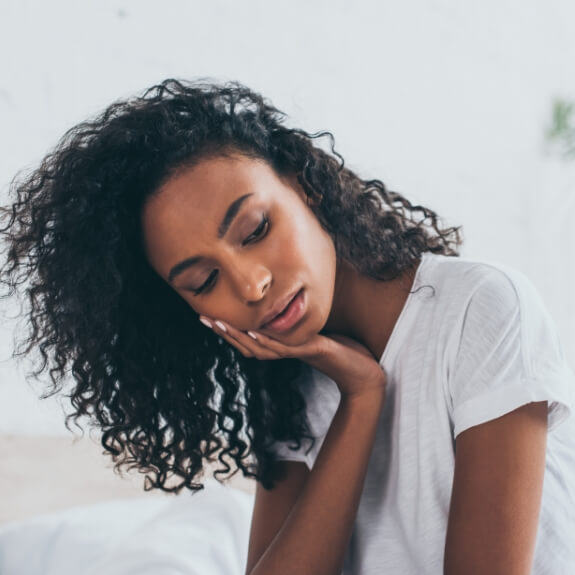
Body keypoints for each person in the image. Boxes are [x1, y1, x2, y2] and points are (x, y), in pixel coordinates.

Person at [1, 78, 574, 575]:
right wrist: (362, 396)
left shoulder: (480, 309)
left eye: (254, 230)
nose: (250, 286)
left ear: (306, 186)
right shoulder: (289, 384)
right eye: (204, 282)